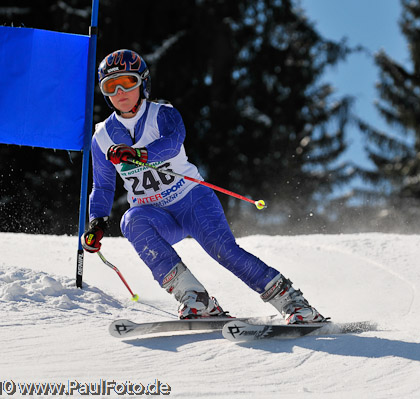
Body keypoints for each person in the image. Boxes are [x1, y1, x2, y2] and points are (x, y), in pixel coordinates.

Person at [81, 49, 326, 324]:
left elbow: (173, 142)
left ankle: (294, 303)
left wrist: (139, 154)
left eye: (127, 82)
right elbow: (102, 186)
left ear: (143, 83)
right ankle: (196, 299)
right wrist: (96, 223)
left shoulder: (163, 113)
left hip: (191, 200)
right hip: (155, 214)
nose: (120, 91)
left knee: (224, 251)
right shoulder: (101, 136)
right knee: (131, 221)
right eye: (110, 86)